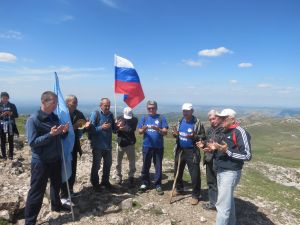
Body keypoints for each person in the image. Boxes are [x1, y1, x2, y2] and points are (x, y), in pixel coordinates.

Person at [24, 91, 70, 225]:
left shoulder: (53, 117)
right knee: (37, 192)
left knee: (56, 186)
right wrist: (50, 134)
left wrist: (63, 132)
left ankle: (56, 206)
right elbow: (32, 143)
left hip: (55, 158)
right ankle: (30, 221)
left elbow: (59, 138)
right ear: (44, 102)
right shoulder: (33, 119)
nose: (56, 105)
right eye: (54, 102)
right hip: (41, 162)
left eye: (56, 102)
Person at [201, 108, 251, 225]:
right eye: (220, 117)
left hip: (230, 172)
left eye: (224, 118)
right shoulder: (225, 131)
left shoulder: (239, 132)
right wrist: (212, 148)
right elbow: (221, 148)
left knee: (222, 206)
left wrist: (228, 151)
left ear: (232, 119)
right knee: (228, 202)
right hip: (220, 170)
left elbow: (247, 155)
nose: (221, 120)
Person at [172, 103, 206, 205]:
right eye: (184, 111)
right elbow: (177, 134)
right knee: (177, 171)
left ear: (192, 111)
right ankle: (179, 189)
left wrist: (194, 136)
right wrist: (175, 134)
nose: (185, 113)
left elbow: (203, 136)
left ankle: (195, 195)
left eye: (187, 111)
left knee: (194, 174)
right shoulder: (180, 121)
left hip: (192, 151)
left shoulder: (197, 122)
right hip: (180, 149)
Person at [60, 95, 90, 205]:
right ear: (67, 103)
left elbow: (83, 128)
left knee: (72, 169)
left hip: (74, 146)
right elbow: (62, 130)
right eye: (74, 102)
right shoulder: (62, 114)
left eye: (76, 102)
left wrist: (86, 126)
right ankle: (63, 195)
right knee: (65, 169)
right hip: (64, 146)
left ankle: (70, 190)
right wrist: (75, 126)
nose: (76, 104)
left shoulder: (78, 113)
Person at [138, 100, 168, 195]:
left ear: (156, 108)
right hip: (147, 145)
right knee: (146, 164)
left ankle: (158, 184)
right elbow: (139, 131)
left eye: (153, 108)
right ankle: (145, 182)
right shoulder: (144, 117)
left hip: (158, 146)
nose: (151, 109)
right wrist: (144, 129)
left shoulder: (161, 118)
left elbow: (165, 132)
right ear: (147, 108)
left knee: (158, 165)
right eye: (149, 108)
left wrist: (158, 129)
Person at [89, 97, 116, 191]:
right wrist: (101, 127)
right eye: (105, 105)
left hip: (108, 146)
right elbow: (91, 130)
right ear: (101, 105)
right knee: (96, 166)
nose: (107, 107)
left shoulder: (111, 115)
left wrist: (118, 127)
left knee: (108, 165)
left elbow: (114, 129)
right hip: (97, 146)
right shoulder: (95, 114)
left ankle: (105, 182)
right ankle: (95, 184)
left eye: (109, 105)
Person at [200, 109, 223, 210]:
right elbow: (207, 141)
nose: (212, 121)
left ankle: (221, 205)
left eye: (214, 118)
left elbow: (224, 146)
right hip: (209, 159)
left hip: (219, 160)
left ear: (219, 118)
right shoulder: (209, 129)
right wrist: (203, 144)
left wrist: (213, 147)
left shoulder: (224, 130)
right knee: (211, 182)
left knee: (220, 184)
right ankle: (213, 203)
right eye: (210, 119)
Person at [114, 107, 138, 187]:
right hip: (120, 143)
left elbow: (131, 130)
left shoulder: (134, 120)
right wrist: (117, 126)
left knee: (132, 162)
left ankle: (131, 176)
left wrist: (122, 128)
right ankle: (118, 176)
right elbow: (114, 131)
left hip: (130, 144)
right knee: (118, 162)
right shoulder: (119, 118)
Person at [0, 92, 19, 160]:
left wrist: (10, 114)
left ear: (8, 98)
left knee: (11, 140)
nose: (5, 99)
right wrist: (2, 115)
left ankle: (11, 156)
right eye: (3, 98)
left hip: (10, 125)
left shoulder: (12, 105)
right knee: (3, 141)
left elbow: (16, 115)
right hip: (1, 126)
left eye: (6, 98)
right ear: (1, 98)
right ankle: (4, 156)